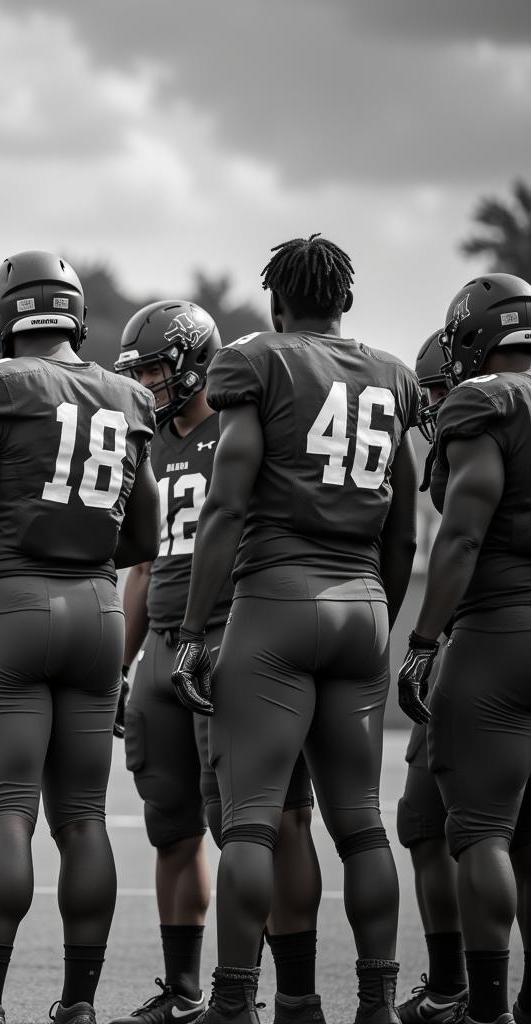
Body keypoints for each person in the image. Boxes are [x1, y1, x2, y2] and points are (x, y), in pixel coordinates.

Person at [171, 234, 419, 1024]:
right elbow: (406, 532)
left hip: (276, 600)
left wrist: (189, 631)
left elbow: (226, 507)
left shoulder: (261, 362)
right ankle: (377, 1002)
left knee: (252, 820)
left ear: (279, 303)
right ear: (344, 300)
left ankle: (236, 1001)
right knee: (360, 822)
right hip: (365, 604)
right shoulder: (395, 376)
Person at [0, 250, 159, 1024]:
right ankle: (78, 1004)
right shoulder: (125, 395)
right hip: (97, 611)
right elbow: (144, 534)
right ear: (73, 316)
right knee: (83, 816)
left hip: (10, 606)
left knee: (7, 813)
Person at [109, 301, 322, 1024]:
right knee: (171, 826)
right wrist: (123, 662)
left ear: (197, 358)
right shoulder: (150, 443)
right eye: (138, 372)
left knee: (249, 826)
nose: (149, 383)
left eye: (157, 368)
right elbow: (140, 568)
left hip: (236, 638)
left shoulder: (243, 425)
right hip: (164, 641)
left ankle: (260, 991)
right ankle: (185, 991)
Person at [398, 273, 531, 1024]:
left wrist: (423, 639)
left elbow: (464, 531)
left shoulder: (487, 401)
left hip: (496, 632)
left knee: (479, 832)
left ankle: (481, 1008)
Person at [394, 331, 466, 1024]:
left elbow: (460, 540)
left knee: (427, 819)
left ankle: (456, 990)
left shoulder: (484, 428)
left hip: (488, 644)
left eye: (442, 390)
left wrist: (421, 642)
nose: (437, 408)